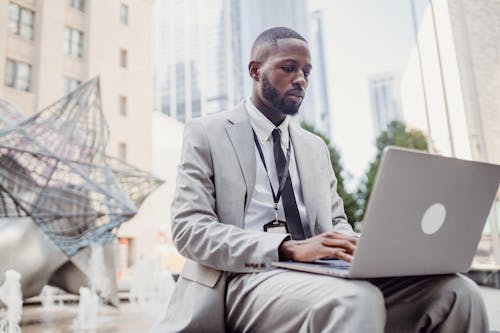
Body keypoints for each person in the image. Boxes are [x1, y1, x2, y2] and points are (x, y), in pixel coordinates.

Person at [152, 27, 489, 333]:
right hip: (245, 276)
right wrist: (285, 248)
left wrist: (360, 247)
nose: (301, 79)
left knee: (458, 293)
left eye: (307, 72)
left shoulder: (314, 147)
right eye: (289, 68)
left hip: (322, 274)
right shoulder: (206, 132)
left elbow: (337, 222)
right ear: (256, 71)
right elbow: (189, 229)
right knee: (352, 300)